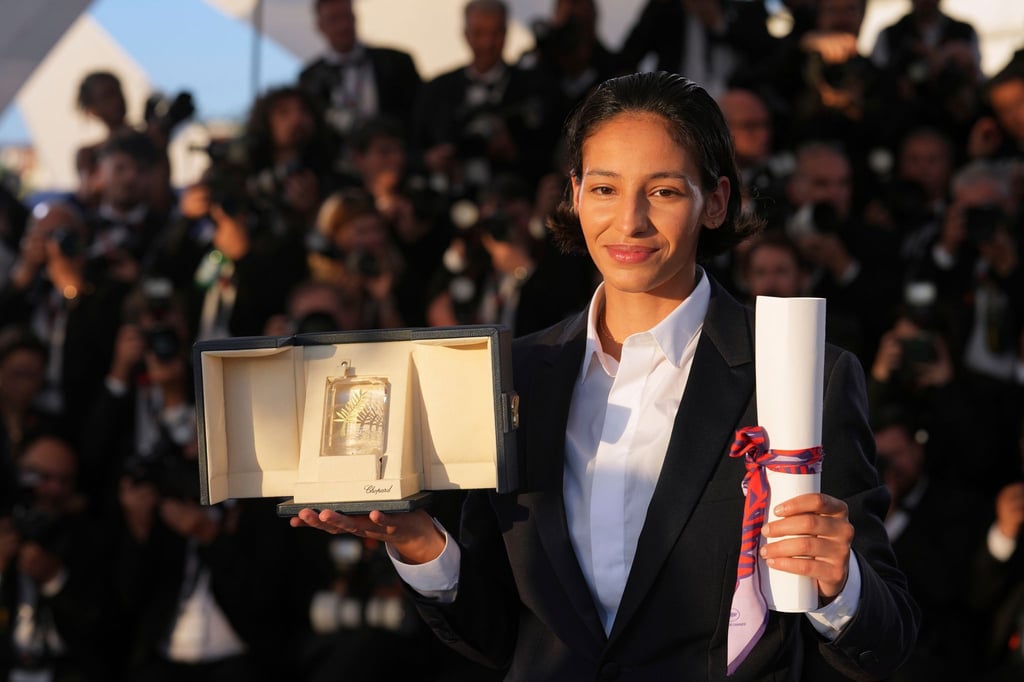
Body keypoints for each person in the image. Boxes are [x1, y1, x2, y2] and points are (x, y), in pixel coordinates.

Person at [292, 71, 918, 680]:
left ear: (717, 201)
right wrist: (422, 543)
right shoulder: (512, 377)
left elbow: (885, 639)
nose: (630, 222)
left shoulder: (807, 374)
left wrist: (841, 585)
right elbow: (501, 638)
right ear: (574, 192)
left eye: (665, 191)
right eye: (604, 188)